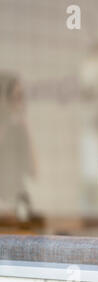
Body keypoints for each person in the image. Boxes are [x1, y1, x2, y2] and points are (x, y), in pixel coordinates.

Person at [0, 73, 36, 221]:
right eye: (16, 97)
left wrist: (25, 128)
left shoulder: (18, 130)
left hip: (16, 207)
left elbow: (33, 170)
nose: (19, 104)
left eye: (21, 97)